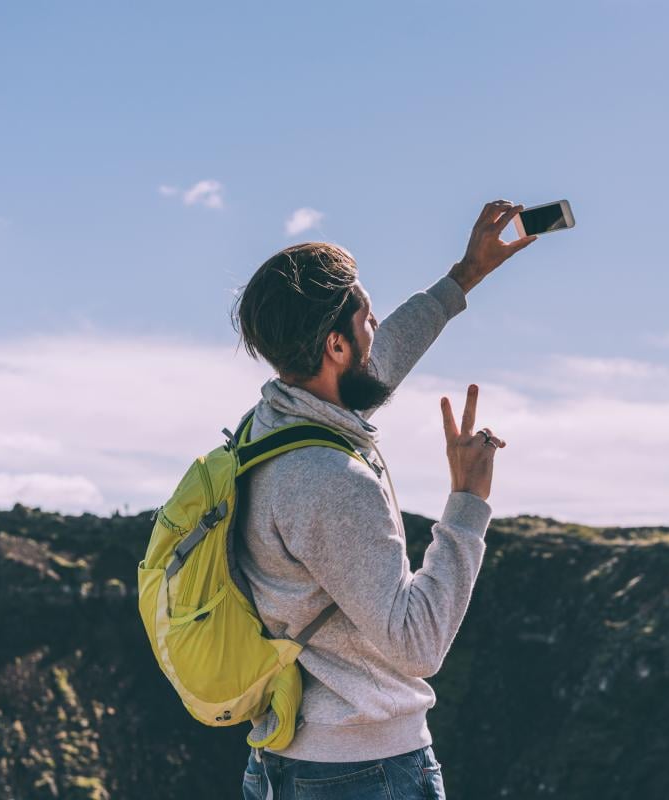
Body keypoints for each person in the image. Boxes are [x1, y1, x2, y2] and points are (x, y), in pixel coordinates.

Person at [230, 200, 536, 799]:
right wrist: (468, 499)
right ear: (336, 349)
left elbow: (381, 359)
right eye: (366, 318)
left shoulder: (270, 425)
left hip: (283, 761)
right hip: (363, 773)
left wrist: (462, 278)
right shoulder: (331, 479)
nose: (376, 326)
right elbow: (417, 644)